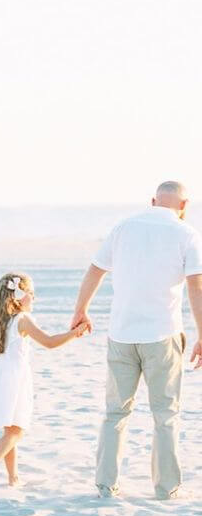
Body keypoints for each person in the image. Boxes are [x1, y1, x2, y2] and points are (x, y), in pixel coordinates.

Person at [71, 181, 202, 499]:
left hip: (121, 334)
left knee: (115, 413)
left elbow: (95, 271)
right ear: (183, 206)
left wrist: (81, 311)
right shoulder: (186, 233)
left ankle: (105, 486)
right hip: (162, 335)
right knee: (165, 415)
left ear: (153, 200)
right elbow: (196, 286)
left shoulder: (123, 227)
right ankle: (166, 488)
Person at [0, 273, 88, 490]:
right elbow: (50, 342)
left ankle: (13, 477)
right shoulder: (22, 320)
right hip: (14, 378)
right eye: (32, 294)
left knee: (10, 429)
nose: (34, 298)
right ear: (18, 297)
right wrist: (75, 332)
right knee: (17, 431)